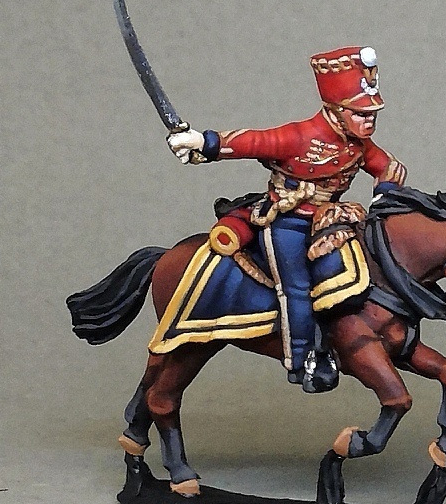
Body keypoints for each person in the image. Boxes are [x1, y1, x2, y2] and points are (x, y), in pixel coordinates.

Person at [166, 46, 408, 391]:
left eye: (371, 114)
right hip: (289, 221)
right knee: (296, 287)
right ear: (336, 111)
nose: (369, 121)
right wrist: (203, 142)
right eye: (360, 114)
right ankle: (303, 359)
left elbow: (389, 167)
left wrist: (384, 197)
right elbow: (254, 142)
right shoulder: (299, 136)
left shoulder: (359, 145)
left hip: (333, 220)